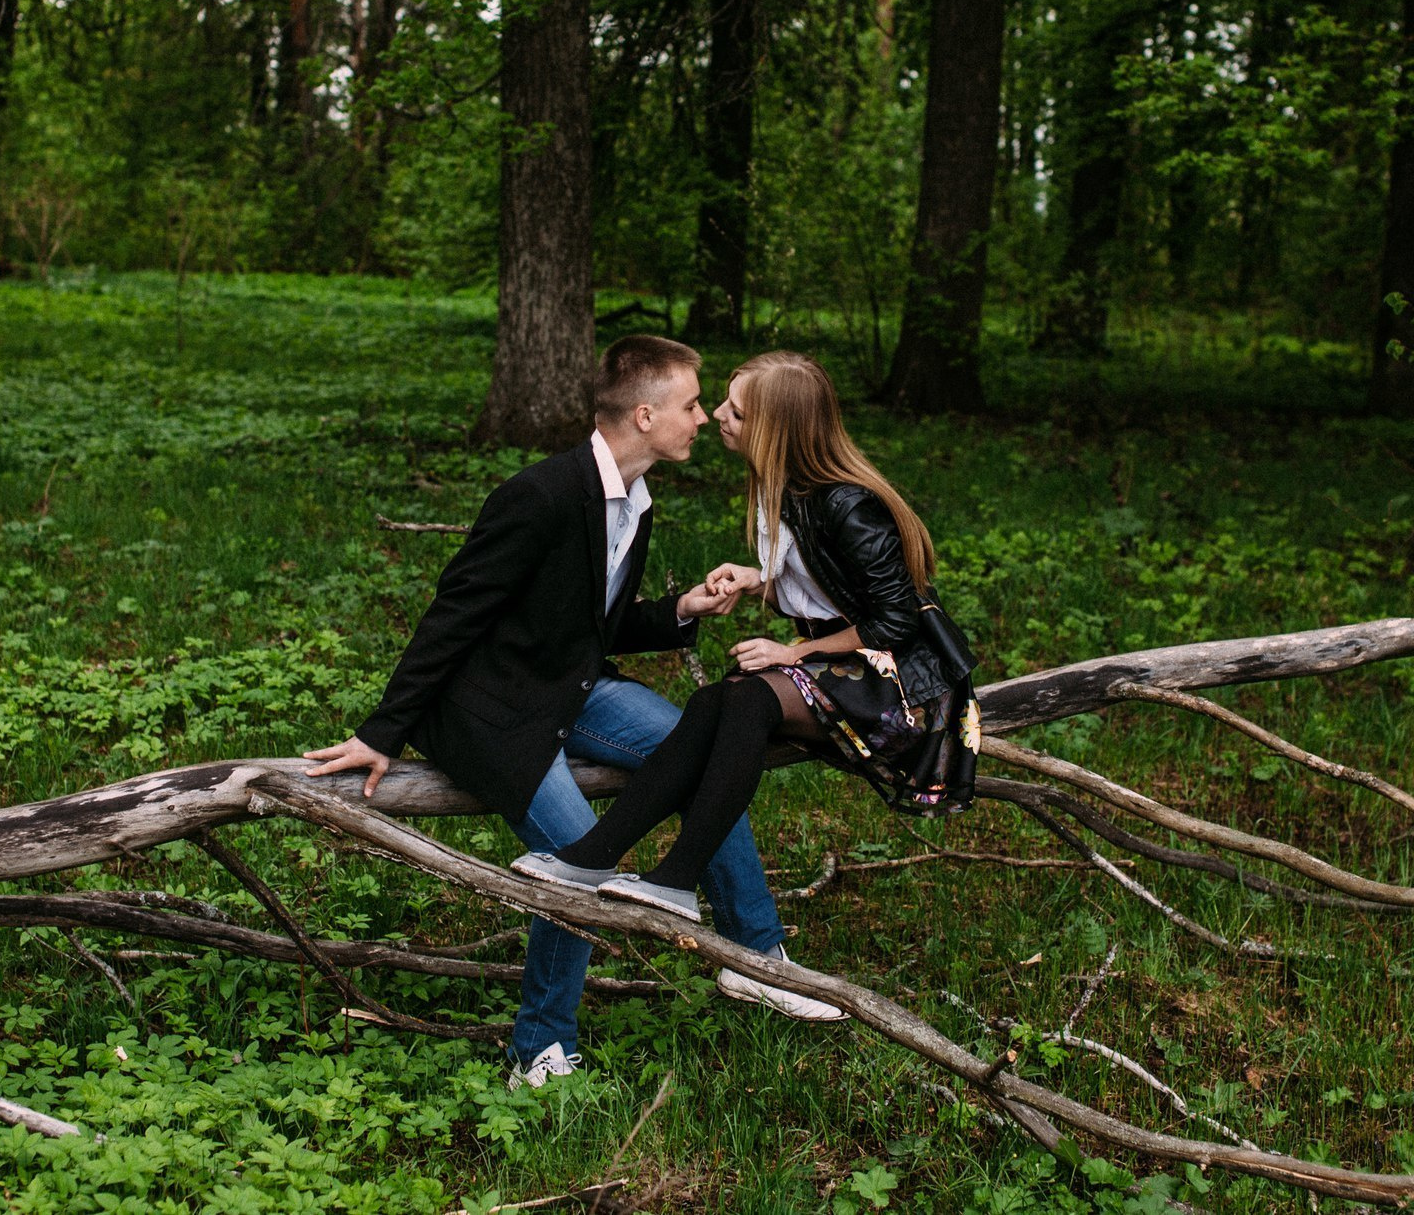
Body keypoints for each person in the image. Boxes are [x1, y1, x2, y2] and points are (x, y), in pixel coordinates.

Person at [303, 335, 843, 1091]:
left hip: (571, 687)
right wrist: (379, 732)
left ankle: (759, 960)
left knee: (715, 740)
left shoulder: (636, 502)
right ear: (647, 414)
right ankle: (541, 1048)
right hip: (493, 714)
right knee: (579, 862)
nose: (704, 418)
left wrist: (678, 610)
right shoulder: (541, 494)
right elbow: (454, 616)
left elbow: (587, 624)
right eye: (692, 405)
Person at [513, 350, 979, 922]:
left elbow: (895, 624)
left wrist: (796, 652)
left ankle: (667, 875)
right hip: (857, 665)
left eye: (735, 411)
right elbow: (829, 587)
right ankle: (604, 860)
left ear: (774, 428)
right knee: (717, 698)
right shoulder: (789, 490)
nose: (715, 416)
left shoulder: (848, 505)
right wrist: (762, 581)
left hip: (907, 685)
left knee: (746, 695)